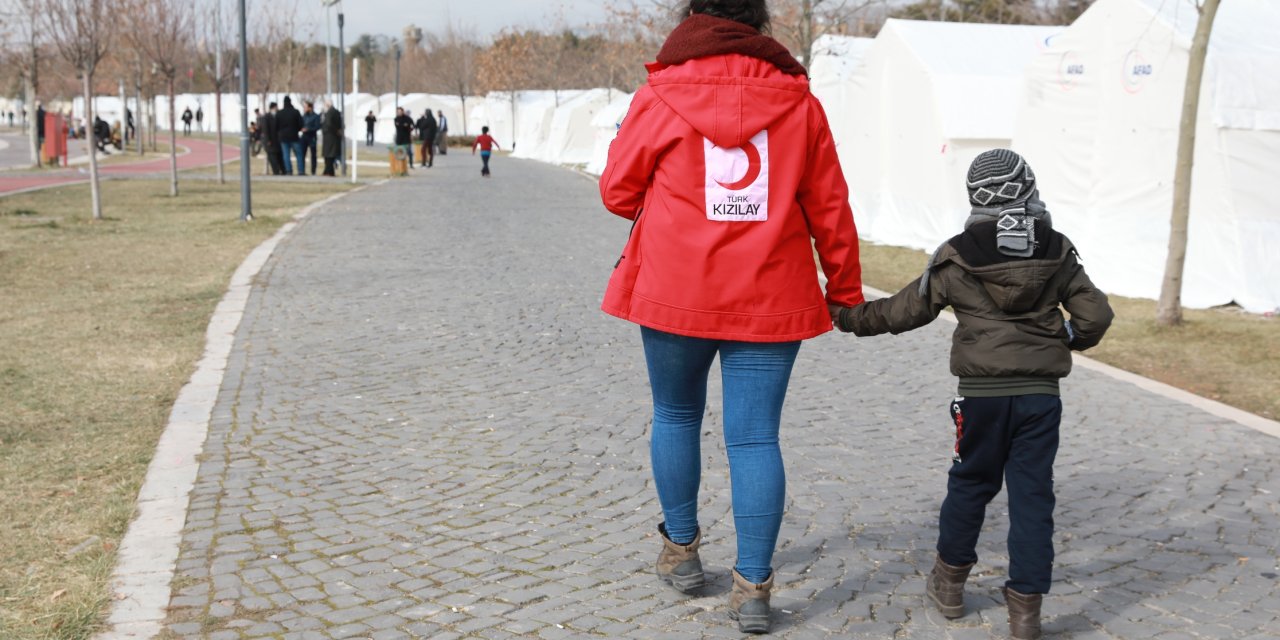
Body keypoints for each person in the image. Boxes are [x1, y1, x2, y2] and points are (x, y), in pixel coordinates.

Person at [597, 0, 862, 634]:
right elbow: (830, 205)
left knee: (675, 414)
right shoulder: (800, 102)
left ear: (693, 15)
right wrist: (845, 289)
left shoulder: (659, 95)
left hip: (675, 289)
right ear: (760, 22)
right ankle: (754, 587)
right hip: (771, 292)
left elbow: (617, 192)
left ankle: (682, 551)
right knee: (755, 438)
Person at [833, 149, 1114, 640]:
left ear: (975, 199)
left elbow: (904, 311)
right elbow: (1096, 316)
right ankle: (1025, 614)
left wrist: (847, 317)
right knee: (1033, 495)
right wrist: (1066, 340)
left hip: (980, 397)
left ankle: (949, 587)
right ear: (1029, 188)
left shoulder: (957, 253)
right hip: (1039, 397)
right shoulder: (1057, 248)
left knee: (969, 485)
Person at [276, 96, 305, 175]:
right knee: (299, 154)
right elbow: (301, 124)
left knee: (286, 155)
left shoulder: (279, 113)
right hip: (294, 136)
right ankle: (301, 171)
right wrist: (297, 129)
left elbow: (276, 125)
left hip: (283, 137)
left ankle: (288, 170)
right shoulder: (295, 112)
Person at [321, 100, 343, 177]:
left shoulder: (330, 113)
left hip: (330, 136)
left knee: (329, 155)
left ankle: (329, 171)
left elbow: (329, 124)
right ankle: (328, 171)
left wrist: (336, 131)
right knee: (330, 155)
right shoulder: (336, 112)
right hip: (332, 136)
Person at [302, 101, 322, 176]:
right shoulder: (304, 116)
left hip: (312, 137)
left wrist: (308, 129)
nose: (305, 108)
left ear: (310, 108)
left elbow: (318, 127)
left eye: (306, 107)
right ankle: (302, 170)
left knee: (313, 155)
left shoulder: (316, 116)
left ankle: (313, 171)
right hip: (304, 137)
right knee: (302, 154)